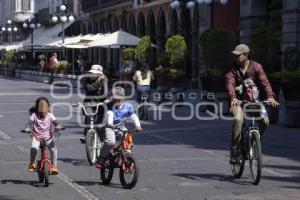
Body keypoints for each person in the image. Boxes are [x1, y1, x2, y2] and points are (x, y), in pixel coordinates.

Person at [225, 44, 279, 164]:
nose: (236, 57)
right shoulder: (232, 68)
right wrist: (233, 97)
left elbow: (265, 82)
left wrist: (270, 97)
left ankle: (254, 140)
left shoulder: (256, 67)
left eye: (238, 55)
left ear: (246, 55)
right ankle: (234, 149)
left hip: (254, 101)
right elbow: (230, 83)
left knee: (265, 122)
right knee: (238, 120)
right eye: (235, 55)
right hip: (238, 102)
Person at [95, 87, 142, 168]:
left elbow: (133, 116)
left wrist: (138, 126)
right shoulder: (110, 105)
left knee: (127, 137)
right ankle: (102, 158)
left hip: (120, 126)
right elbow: (110, 114)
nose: (118, 101)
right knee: (110, 142)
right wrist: (110, 123)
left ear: (123, 98)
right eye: (115, 99)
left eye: (119, 99)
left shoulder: (128, 106)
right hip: (109, 126)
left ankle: (126, 156)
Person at [24, 97, 63, 174]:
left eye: (44, 111)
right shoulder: (34, 115)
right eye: (40, 110)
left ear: (47, 107)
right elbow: (29, 123)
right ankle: (32, 163)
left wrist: (58, 126)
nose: (42, 113)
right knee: (34, 148)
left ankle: (54, 166)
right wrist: (27, 128)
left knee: (53, 150)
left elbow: (56, 123)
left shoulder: (50, 115)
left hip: (48, 137)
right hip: (36, 137)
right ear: (37, 108)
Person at [80, 64, 108, 143]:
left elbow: (105, 93)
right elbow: (90, 89)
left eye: (96, 73)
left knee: (100, 125)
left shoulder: (104, 80)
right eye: (93, 73)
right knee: (88, 116)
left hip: (100, 104)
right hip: (89, 102)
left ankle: (102, 142)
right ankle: (86, 134)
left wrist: (107, 99)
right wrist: (98, 81)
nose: (94, 74)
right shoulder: (86, 79)